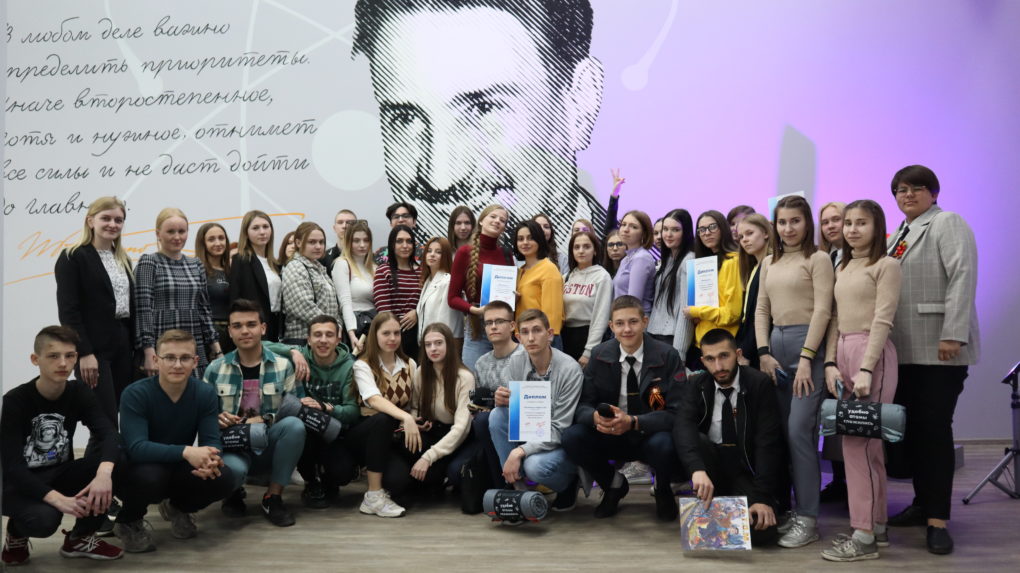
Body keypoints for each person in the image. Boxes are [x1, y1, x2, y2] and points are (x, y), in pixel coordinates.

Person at [352, 0, 608, 242]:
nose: (440, 179)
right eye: (405, 118)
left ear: (581, 104)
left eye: (484, 108)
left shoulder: (620, 263)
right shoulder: (384, 267)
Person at [884, 165, 980, 555]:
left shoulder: (947, 222)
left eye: (917, 188)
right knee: (915, 435)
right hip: (905, 350)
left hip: (940, 348)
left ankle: (938, 521)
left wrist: (953, 332)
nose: (908, 194)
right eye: (901, 189)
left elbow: (962, 277)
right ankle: (923, 504)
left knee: (935, 433)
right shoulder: (900, 233)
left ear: (934, 192)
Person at [818, 200, 902, 562]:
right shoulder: (844, 265)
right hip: (844, 352)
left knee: (859, 447)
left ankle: (863, 535)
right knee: (866, 449)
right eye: (848, 223)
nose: (852, 229)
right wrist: (830, 362)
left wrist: (867, 368)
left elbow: (883, 319)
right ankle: (876, 526)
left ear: (877, 226)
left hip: (873, 354)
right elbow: (836, 318)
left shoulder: (887, 265)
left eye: (861, 223)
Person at [1, 326, 124, 564]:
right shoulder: (15, 401)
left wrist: (104, 474)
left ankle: (80, 538)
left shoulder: (78, 391)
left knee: (117, 463)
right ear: (35, 359)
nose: (63, 363)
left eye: (69, 356)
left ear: (76, 358)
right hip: (17, 484)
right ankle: (16, 533)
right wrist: (58, 500)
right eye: (53, 356)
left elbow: (109, 434)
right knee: (44, 520)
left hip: (58, 473)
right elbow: (13, 468)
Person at [754, 195, 834, 548]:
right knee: (781, 435)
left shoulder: (818, 259)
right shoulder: (769, 262)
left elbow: (823, 311)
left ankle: (809, 518)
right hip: (775, 349)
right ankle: (790, 509)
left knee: (800, 431)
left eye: (795, 221)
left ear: (807, 223)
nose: (788, 228)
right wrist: (763, 353)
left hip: (807, 349)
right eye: (782, 222)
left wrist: (806, 358)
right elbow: (761, 309)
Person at [561, 296, 686, 521]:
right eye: (619, 323)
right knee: (572, 437)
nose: (626, 329)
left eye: (633, 322)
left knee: (666, 443)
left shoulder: (668, 355)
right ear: (611, 326)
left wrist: (634, 422)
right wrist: (595, 418)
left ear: (645, 322)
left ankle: (662, 487)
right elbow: (582, 406)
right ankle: (613, 484)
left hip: (648, 435)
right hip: (609, 433)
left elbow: (677, 413)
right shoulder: (599, 355)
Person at [115, 329, 236, 553]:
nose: (177, 365)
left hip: (178, 465)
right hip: (141, 466)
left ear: (195, 361)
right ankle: (129, 520)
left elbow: (212, 440)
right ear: (156, 360)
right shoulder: (135, 393)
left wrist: (212, 459)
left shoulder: (205, 393)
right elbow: (137, 448)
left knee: (224, 477)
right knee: (151, 477)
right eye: (170, 357)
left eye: (185, 358)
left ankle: (179, 508)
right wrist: (187, 452)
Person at [672, 328, 784, 547]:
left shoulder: (758, 383)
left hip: (746, 470)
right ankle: (715, 501)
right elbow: (682, 426)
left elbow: (768, 443)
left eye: (724, 356)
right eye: (710, 359)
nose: (718, 366)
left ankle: (730, 505)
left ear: (737, 354)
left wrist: (761, 497)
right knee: (694, 438)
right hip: (712, 468)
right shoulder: (697, 383)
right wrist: (696, 469)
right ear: (703, 361)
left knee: (763, 533)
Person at [204, 299, 306, 527]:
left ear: (263, 328)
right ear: (230, 331)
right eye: (237, 326)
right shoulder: (215, 369)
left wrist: (264, 419)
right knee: (234, 472)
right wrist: (215, 419)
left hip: (268, 444)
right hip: (233, 447)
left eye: (251, 324)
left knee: (294, 426)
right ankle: (232, 493)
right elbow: (202, 417)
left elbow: (294, 408)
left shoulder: (283, 366)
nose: (245, 331)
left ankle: (273, 497)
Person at [488, 309, 583, 515]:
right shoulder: (516, 362)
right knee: (496, 415)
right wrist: (503, 401)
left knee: (534, 466)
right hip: (531, 430)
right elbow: (515, 415)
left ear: (549, 334)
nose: (531, 338)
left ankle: (569, 483)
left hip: (560, 440)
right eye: (525, 332)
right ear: (518, 337)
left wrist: (519, 452)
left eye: (537, 330)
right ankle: (519, 488)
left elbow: (560, 428)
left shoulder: (570, 369)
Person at [54, 196, 135, 428]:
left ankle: (115, 453)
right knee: (104, 419)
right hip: (94, 349)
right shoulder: (72, 256)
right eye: (105, 218)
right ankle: (105, 454)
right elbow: (68, 311)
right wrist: (84, 352)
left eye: (118, 220)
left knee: (123, 413)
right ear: (91, 221)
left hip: (123, 345)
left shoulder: (124, 259)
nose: (112, 224)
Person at [265, 315, 360, 509]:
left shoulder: (349, 366)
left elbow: (353, 411)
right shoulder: (301, 355)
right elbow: (261, 345)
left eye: (329, 335)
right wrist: (292, 351)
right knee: (297, 428)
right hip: (307, 429)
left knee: (342, 473)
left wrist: (325, 407)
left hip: (335, 430)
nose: (323, 340)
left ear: (338, 339)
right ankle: (311, 482)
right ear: (308, 339)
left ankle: (329, 479)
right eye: (317, 335)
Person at [348, 312, 421, 517]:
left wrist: (412, 418)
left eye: (396, 333)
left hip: (393, 436)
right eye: (386, 333)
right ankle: (373, 496)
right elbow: (374, 400)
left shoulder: (410, 364)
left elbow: (414, 404)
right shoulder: (362, 365)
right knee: (382, 418)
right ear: (375, 335)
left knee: (400, 481)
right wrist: (405, 417)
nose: (392, 338)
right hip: (365, 434)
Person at [135, 208, 221, 378]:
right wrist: (149, 351)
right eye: (171, 231)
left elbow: (204, 310)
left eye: (182, 231)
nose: (177, 237)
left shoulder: (196, 264)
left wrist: (217, 349)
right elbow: (143, 310)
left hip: (194, 344)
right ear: (158, 234)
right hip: (161, 348)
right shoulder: (149, 262)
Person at [407, 323, 475, 493]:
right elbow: (414, 407)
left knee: (453, 473)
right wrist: (416, 422)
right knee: (421, 479)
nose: (433, 349)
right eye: (428, 344)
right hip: (433, 432)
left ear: (449, 344)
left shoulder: (464, 377)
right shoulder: (421, 372)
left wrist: (428, 457)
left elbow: (461, 428)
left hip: (458, 438)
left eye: (438, 343)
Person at [448, 204, 513, 370]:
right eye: (493, 217)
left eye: (502, 220)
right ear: (482, 221)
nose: (497, 221)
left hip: (504, 327)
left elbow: (511, 291)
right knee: (474, 380)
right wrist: (475, 310)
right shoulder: (464, 252)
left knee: (505, 381)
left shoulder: (506, 254)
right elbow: (452, 298)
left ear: (504, 228)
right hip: (477, 327)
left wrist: (515, 296)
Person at [470, 301, 527, 489]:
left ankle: (510, 486)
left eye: (499, 321)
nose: (493, 326)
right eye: (488, 323)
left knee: (489, 419)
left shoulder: (527, 355)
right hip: (494, 426)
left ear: (512, 325)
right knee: (482, 420)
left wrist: (511, 401)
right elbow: (481, 403)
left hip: (528, 423)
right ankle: (503, 487)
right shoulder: (481, 363)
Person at [817, 200, 850, 505]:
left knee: (852, 417)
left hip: (851, 343)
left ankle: (856, 485)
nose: (830, 226)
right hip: (828, 344)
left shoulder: (859, 257)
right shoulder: (826, 257)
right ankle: (840, 481)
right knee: (835, 418)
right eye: (825, 221)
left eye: (836, 219)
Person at [684, 210, 743, 371]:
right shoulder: (702, 263)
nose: (707, 233)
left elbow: (732, 314)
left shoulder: (733, 261)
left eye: (712, 227)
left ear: (723, 228)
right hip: (700, 343)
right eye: (702, 229)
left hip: (722, 347)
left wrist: (696, 311)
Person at [647, 208, 696, 361]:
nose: (668, 234)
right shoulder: (667, 260)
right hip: (654, 335)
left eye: (675, 230)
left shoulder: (690, 260)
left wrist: (679, 353)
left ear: (686, 232)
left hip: (671, 339)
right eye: (665, 229)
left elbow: (686, 311)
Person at [281, 222, 341, 345]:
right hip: (302, 341)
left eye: (321, 242)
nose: (318, 246)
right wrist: (332, 327)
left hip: (324, 339)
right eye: (312, 242)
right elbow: (303, 306)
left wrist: (337, 325)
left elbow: (335, 307)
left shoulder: (319, 268)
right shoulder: (295, 267)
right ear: (298, 243)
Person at [230, 210, 284, 342]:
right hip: (253, 326)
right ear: (246, 233)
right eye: (255, 228)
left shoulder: (276, 264)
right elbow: (234, 299)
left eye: (266, 227)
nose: (262, 232)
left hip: (277, 325)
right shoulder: (240, 260)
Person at [561, 231, 612, 366]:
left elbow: (601, 316)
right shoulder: (566, 277)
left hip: (588, 335)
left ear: (595, 251)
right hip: (565, 335)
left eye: (586, 246)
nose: (581, 251)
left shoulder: (602, 276)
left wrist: (589, 351)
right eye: (576, 247)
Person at [373, 224, 422, 358]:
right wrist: (394, 332)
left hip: (419, 335)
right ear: (392, 245)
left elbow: (428, 303)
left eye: (409, 241)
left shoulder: (422, 271)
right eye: (399, 241)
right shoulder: (383, 271)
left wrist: (417, 312)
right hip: (393, 336)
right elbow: (384, 311)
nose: (405, 245)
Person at [514, 220, 565, 347]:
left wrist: (547, 342)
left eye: (530, 238)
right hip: (521, 337)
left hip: (542, 340)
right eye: (520, 239)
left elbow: (552, 314)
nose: (525, 242)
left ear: (539, 240)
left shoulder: (548, 269)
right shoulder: (520, 271)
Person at [733, 213, 772, 370]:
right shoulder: (753, 266)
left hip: (763, 345)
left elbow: (761, 312)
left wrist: (747, 352)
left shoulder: (770, 264)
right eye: (741, 237)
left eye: (749, 233)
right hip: (748, 342)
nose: (744, 240)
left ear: (765, 232)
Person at [333, 220, 377, 354]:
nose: (362, 245)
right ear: (348, 242)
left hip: (374, 326)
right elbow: (345, 302)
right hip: (356, 327)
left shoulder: (374, 268)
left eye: (366, 240)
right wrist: (351, 334)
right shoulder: (342, 264)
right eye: (356, 240)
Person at [195, 222, 234, 354]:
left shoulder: (232, 270)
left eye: (221, 238)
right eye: (211, 239)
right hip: (208, 335)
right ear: (203, 243)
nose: (218, 243)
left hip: (233, 333)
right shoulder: (197, 271)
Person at [417, 237, 463, 345]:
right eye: (429, 251)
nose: (432, 255)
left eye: (438, 252)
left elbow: (447, 323)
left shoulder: (447, 282)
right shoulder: (428, 281)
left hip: (443, 345)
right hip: (427, 344)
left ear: (446, 256)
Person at [613, 210, 656, 313]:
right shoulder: (626, 259)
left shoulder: (641, 258)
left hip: (635, 318)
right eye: (623, 224)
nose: (626, 229)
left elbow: (633, 301)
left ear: (644, 233)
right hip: (622, 316)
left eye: (633, 227)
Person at [322, 209, 359, 275]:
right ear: (334, 228)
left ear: (357, 228)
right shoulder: (323, 258)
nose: (344, 226)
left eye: (350, 223)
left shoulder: (368, 258)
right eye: (340, 222)